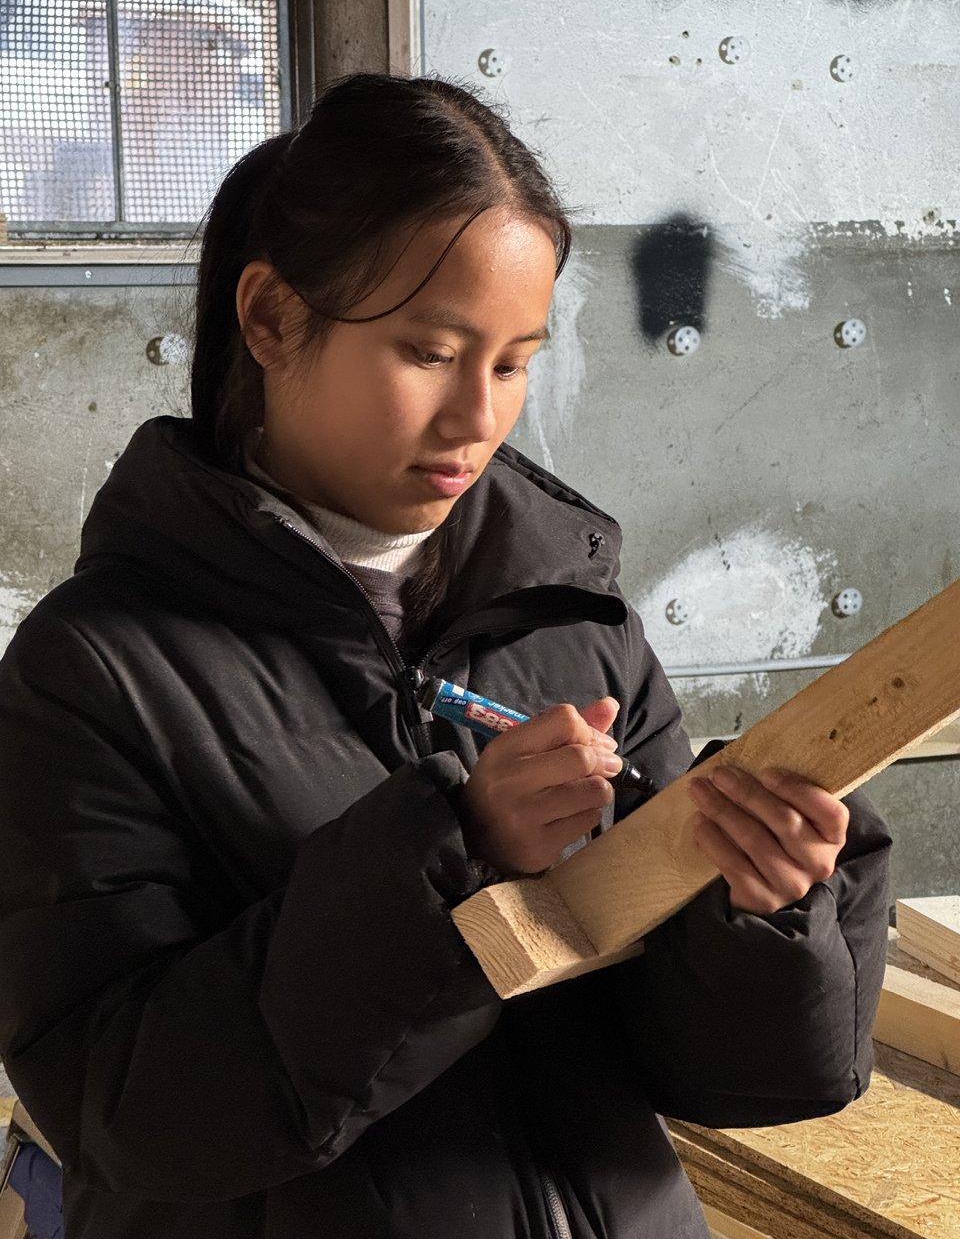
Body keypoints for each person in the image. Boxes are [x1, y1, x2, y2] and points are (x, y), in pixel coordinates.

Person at [0, 73, 891, 1239]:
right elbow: (125, 1108)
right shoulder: (95, 671)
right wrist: (448, 860)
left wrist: (761, 904)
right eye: (430, 350)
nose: (478, 415)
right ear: (270, 320)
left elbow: (747, 1077)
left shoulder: (576, 627)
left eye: (514, 361)